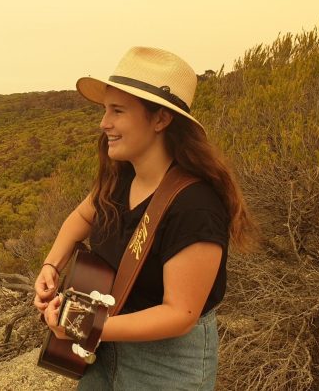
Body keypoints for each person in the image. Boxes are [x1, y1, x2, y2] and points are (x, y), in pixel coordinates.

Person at [33, 47, 257, 390]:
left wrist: (84, 323)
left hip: (165, 366)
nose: (104, 122)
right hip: (101, 348)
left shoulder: (196, 206)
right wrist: (51, 266)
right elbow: (81, 216)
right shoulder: (121, 177)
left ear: (160, 119)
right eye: (106, 109)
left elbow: (179, 314)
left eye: (118, 111)